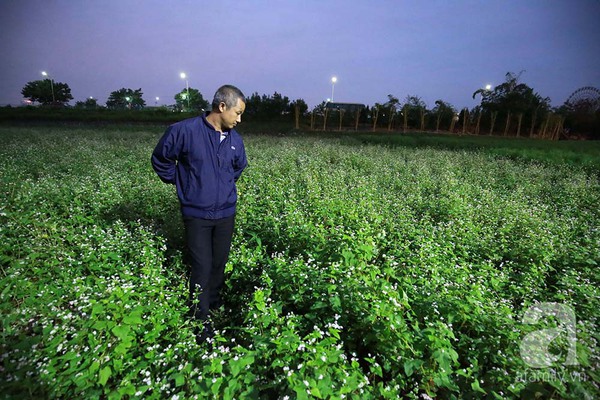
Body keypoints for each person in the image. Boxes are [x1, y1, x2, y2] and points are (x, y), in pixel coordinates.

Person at [151, 84, 247, 343]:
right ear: (222, 106)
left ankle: (214, 307)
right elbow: (160, 159)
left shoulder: (235, 138)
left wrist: (224, 186)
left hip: (226, 213)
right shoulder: (184, 131)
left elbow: (239, 167)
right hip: (197, 214)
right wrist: (185, 184)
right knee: (202, 266)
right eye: (237, 113)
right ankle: (200, 319)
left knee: (219, 263)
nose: (239, 120)